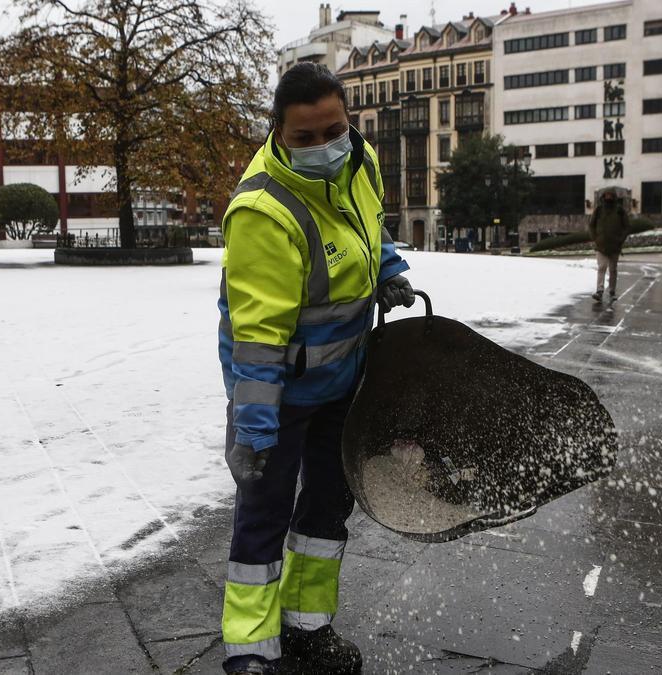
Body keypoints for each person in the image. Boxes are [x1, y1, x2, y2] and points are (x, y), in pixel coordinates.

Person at [216, 62, 414, 675]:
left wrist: (387, 270)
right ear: (278, 132)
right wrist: (253, 430)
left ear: (348, 120)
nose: (324, 147)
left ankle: (307, 626)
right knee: (264, 517)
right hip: (277, 394)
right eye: (305, 137)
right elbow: (257, 341)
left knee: (329, 507)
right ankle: (250, 648)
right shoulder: (263, 213)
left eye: (335, 130)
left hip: (342, 382)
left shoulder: (361, 161)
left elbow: (364, 226)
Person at [587, 188, 630, 302]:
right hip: (601, 245)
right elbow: (591, 225)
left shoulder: (619, 210)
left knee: (613, 269)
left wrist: (621, 239)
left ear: (614, 197)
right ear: (603, 197)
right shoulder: (599, 209)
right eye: (606, 196)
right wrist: (595, 238)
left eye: (611, 196)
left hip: (615, 245)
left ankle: (612, 291)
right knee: (601, 267)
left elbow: (626, 226)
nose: (608, 198)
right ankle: (599, 290)